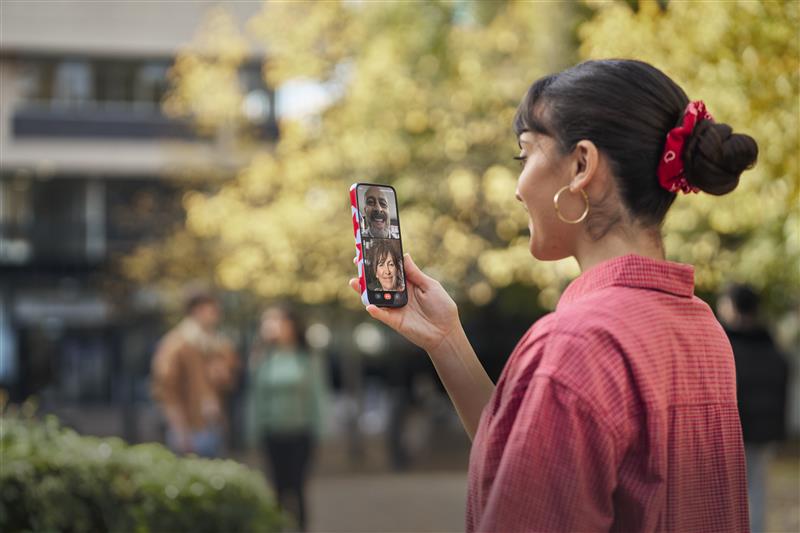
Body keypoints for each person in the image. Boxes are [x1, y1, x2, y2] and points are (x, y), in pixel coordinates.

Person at [349, 59, 759, 532]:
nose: (519, 189)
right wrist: (447, 340)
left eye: (524, 156)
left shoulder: (575, 344)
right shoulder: (701, 326)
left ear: (581, 165)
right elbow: (531, 460)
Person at [247, 305, 327, 532]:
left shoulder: (306, 358)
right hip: (273, 432)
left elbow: (317, 396)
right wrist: (254, 430)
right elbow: (256, 398)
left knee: (298, 486)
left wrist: (320, 429)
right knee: (277, 488)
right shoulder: (262, 359)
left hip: (301, 432)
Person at [717, 283, 789, 533]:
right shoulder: (772, 346)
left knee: (726, 492)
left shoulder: (726, 345)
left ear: (733, 307)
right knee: (757, 488)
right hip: (765, 431)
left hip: (735, 432)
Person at [151, 289, 239, 458]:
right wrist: (179, 429)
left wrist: (223, 376)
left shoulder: (217, 344)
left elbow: (230, 382)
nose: (217, 315)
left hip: (214, 424)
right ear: (196, 311)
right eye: (212, 310)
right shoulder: (176, 343)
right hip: (189, 429)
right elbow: (165, 389)